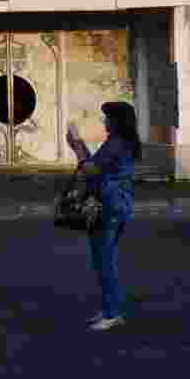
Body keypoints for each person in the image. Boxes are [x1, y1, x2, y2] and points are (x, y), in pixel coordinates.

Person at [65, 102, 140, 331]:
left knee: (105, 261)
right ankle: (109, 308)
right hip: (115, 205)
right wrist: (78, 146)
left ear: (117, 121)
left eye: (107, 117)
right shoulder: (118, 142)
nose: (104, 121)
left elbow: (89, 170)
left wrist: (76, 145)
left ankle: (112, 313)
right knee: (102, 260)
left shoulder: (117, 143)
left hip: (110, 206)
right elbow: (94, 165)